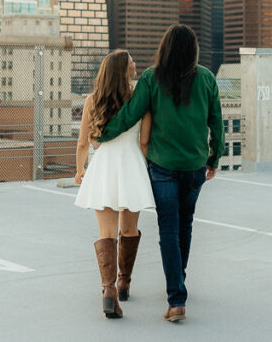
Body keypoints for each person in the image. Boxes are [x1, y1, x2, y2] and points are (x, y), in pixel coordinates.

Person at [96, 24, 224, 323]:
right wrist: (213, 157)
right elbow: (216, 122)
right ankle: (177, 285)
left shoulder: (153, 78)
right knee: (185, 225)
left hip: (162, 167)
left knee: (169, 228)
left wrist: (103, 133)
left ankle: (176, 298)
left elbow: (131, 115)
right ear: (193, 50)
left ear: (164, 48)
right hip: (194, 166)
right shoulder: (206, 78)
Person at [74, 49, 155, 319]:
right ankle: (124, 282)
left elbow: (84, 142)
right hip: (131, 166)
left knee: (105, 233)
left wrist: (79, 170)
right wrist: (145, 166)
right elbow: (144, 141)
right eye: (132, 61)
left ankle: (108, 291)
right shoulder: (139, 99)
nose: (135, 63)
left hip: (104, 167)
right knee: (129, 229)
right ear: (124, 70)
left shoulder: (92, 100)